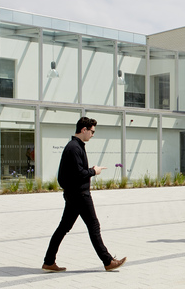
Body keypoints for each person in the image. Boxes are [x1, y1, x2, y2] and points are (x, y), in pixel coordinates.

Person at [43, 117, 126, 272]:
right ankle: (108, 261)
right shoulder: (74, 148)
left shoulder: (76, 146)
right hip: (79, 195)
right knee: (93, 226)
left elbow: (72, 172)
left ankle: (48, 262)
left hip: (75, 194)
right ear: (84, 130)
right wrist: (94, 171)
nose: (93, 135)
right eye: (92, 131)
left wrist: (90, 171)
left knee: (63, 228)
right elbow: (78, 173)